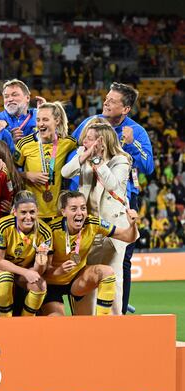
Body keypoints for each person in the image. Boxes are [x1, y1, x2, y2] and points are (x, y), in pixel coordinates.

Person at [72, 82, 154, 314]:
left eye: (112, 100)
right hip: (88, 200)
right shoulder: (92, 123)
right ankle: (86, 313)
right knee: (85, 256)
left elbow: (148, 167)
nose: (105, 102)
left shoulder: (136, 132)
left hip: (121, 202)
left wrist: (132, 144)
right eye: (106, 98)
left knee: (121, 261)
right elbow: (71, 147)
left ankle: (118, 312)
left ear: (125, 109)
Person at [61, 122, 133, 315]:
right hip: (88, 228)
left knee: (114, 279)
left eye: (90, 138)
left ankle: (115, 325)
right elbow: (65, 172)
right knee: (86, 277)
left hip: (112, 231)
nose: (84, 141)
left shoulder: (121, 161)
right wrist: (84, 155)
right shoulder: (82, 153)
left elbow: (111, 184)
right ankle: (85, 323)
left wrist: (97, 161)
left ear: (103, 141)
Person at [42, 191, 139, 316]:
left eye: (83, 208)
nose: (79, 213)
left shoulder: (92, 223)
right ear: (63, 212)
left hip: (76, 280)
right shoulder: (50, 230)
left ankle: (103, 322)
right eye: (73, 209)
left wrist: (132, 225)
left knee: (107, 272)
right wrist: (60, 270)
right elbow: (42, 270)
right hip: (51, 284)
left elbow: (128, 237)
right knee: (58, 323)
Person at [0, 191, 54, 316]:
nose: (28, 217)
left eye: (32, 212)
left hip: (26, 271)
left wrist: (41, 260)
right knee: (5, 280)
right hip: (5, 268)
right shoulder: (4, 225)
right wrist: (25, 272)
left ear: (38, 211)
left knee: (41, 285)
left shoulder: (45, 232)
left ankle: (26, 323)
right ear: (14, 211)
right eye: (23, 212)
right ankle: (5, 322)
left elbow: (39, 271)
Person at [15, 102, 77, 222]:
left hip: (58, 213)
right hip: (31, 213)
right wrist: (27, 175)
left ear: (57, 121)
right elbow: (10, 172)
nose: (40, 124)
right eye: (38, 120)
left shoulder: (68, 143)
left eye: (45, 119)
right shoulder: (24, 144)